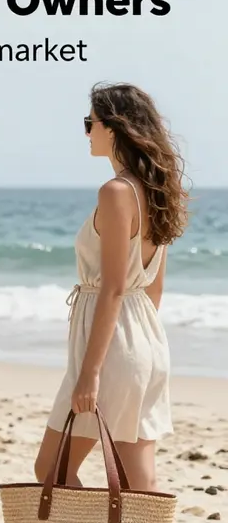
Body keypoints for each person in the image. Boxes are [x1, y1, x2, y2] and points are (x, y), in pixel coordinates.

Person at [34, 82, 189, 492]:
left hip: (113, 349)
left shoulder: (117, 192)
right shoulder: (155, 192)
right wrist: (136, 347)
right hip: (145, 339)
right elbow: (153, 288)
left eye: (91, 123)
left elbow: (113, 288)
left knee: (51, 470)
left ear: (115, 128)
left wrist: (90, 372)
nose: (87, 132)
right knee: (139, 479)